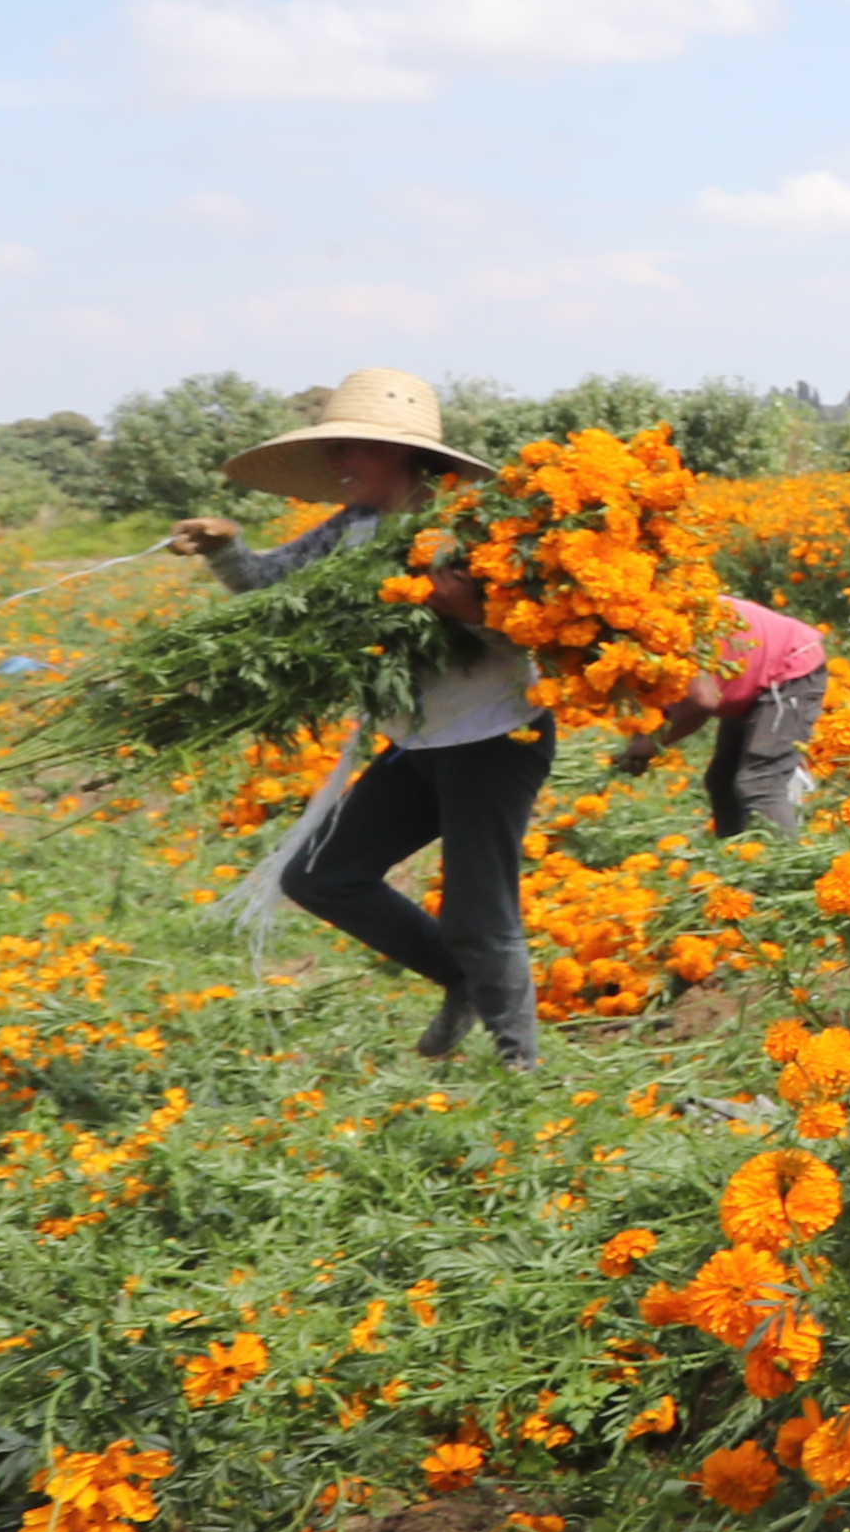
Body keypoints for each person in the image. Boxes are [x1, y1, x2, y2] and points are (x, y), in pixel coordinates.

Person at [160, 370, 554, 1070]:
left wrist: (469, 610)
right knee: (320, 874)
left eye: (351, 450)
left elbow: (543, 631)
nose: (338, 465)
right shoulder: (359, 529)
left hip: (496, 735)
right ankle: (462, 982)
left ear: (404, 453)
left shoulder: (475, 527)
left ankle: (519, 1068)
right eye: (334, 451)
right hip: (416, 739)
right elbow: (272, 583)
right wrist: (226, 548)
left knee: (479, 912)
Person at [610, 595, 832, 839]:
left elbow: (701, 701)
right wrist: (643, 738)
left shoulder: (667, 629)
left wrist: (653, 743)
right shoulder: (631, 635)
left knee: (761, 783)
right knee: (721, 782)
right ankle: (740, 858)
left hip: (789, 667)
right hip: (751, 677)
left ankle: (781, 870)